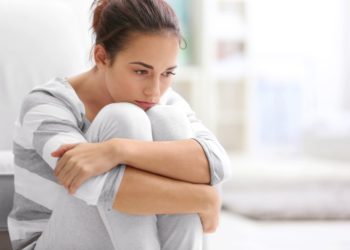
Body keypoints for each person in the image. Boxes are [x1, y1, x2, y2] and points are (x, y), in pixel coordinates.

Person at [7, 0, 231, 249]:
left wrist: (117, 150)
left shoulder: (162, 101)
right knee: (123, 118)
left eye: (167, 73)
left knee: (168, 119)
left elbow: (216, 163)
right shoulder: (47, 103)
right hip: (52, 242)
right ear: (101, 57)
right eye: (140, 71)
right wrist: (202, 198)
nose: (154, 91)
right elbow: (91, 185)